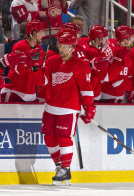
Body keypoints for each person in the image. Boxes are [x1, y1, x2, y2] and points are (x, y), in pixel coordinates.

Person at [40, 29, 95, 185]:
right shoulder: (51, 61)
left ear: (72, 47)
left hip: (69, 108)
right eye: (60, 45)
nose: (62, 49)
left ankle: (65, 168)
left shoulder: (81, 65)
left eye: (65, 46)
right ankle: (59, 166)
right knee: (48, 137)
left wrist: (88, 107)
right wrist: (35, 68)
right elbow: (42, 82)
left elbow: (86, 88)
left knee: (64, 138)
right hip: (50, 106)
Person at [1, 20, 46, 102]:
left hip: (30, 93)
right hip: (15, 91)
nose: (43, 35)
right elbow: (17, 69)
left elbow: (38, 77)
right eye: (41, 32)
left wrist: (37, 69)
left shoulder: (39, 49)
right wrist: (30, 65)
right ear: (34, 33)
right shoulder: (19, 46)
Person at [100, 25, 134, 103]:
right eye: (131, 38)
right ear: (125, 39)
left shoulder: (123, 51)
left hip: (117, 95)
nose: (132, 41)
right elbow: (108, 76)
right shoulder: (116, 51)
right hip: (108, 94)